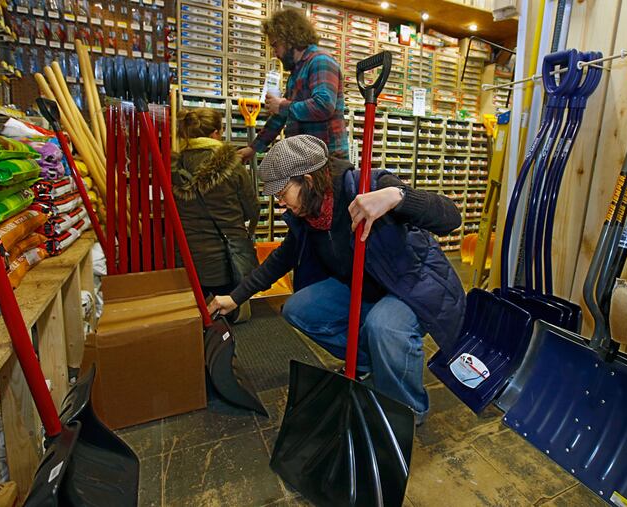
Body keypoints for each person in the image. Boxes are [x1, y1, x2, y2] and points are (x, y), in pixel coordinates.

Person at [209, 135, 466, 423]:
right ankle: (372, 363)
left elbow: (450, 218)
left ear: (306, 179)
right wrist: (236, 296)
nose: (281, 204)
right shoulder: (311, 214)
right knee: (299, 309)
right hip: (363, 286)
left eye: (282, 194)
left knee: (384, 326)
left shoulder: (370, 186)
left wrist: (398, 196)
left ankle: (405, 411)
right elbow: (283, 258)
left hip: (410, 284)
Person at [172, 108, 260, 322]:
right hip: (228, 262)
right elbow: (252, 209)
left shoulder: (175, 165)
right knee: (234, 320)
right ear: (215, 134)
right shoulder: (232, 165)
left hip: (188, 262)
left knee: (198, 318)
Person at [238, 8, 349, 162]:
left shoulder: (320, 61)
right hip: (305, 158)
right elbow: (280, 117)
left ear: (289, 38)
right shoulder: (296, 72)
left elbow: (323, 106)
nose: (275, 52)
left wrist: (283, 106)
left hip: (327, 161)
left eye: (275, 45)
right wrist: (253, 148)